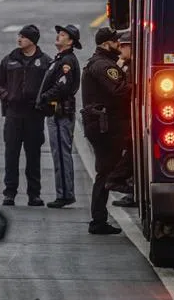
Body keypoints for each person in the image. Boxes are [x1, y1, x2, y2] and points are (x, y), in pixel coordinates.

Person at [80, 27, 133, 235]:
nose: (118, 45)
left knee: (104, 170)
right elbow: (118, 90)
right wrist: (137, 84)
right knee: (106, 172)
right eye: (115, 41)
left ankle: (99, 218)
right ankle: (99, 217)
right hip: (105, 126)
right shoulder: (103, 65)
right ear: (105, 44)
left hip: (103, 125)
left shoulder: (102, 63)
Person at [0, 24, 52, 206]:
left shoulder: (44, 62)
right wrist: (7, 96)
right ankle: (9, 193)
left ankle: (34, 194)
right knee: (11, 155)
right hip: (13, 115)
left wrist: (43, 101)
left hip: (34, 116)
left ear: (32, 41)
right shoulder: (9, 60)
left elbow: (51, 86)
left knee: (33, 156)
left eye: (24, 37)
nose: (19, 39)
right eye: (19, 36)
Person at [36, 24, 82, 208]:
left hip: (60, 112)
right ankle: (63, 192)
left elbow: (62, 86)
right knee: (58, 154)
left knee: (62, 155)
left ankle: (65, 194)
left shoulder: (67, 62)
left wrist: (45, 98)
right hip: (55, 112)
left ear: (70, 41)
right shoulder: (60, 59)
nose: (58, 36)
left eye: (62, 35)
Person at [110, 30, 138, 208]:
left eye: (124, 46)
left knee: (131, 158)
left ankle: (132, 191)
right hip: (126, 119)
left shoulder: (133, 67)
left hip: (131, 119)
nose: (120, 49)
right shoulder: (126, 65)